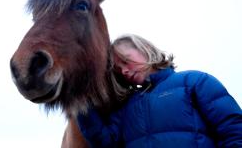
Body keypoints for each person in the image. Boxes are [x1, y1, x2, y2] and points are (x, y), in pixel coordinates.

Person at [77, 34, 242, 148]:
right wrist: (80, 101)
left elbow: (233, 129)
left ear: (145, 49)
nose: (124, 71)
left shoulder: (194, 81)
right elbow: (105, 143)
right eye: (118, 70)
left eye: (126, 61)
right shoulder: (125, 108)